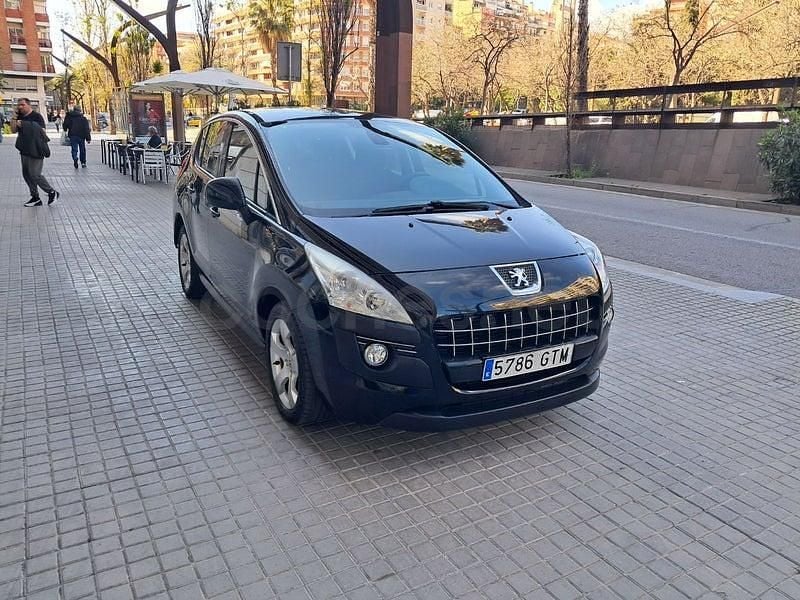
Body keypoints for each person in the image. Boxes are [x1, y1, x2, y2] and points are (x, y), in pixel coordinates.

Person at [10, 98, 59, 207]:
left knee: (35, 174)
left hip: (36, 149)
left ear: (29, 105)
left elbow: (42, 131)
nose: (20, 107)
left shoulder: (37, 116)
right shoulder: (19, 117)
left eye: (22, 104)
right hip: (24, 149)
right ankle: (35, 197)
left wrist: (24, 124)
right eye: (19, 105)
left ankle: (51, 192)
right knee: (27, 174)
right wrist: (14, 117)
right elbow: (13, 130)